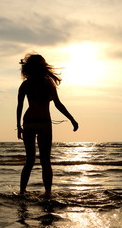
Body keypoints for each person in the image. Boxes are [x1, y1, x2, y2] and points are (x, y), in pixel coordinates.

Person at [16, 53, 78, 197]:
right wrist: (72, 119)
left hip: (29, 122)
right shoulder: (47, 83)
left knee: (29, 161)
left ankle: (21, 192)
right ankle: (48, 193)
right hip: (44, 122)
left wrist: (19, 125)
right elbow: (58, 104)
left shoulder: (26, 84)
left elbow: (19, 106)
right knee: (45, 161)